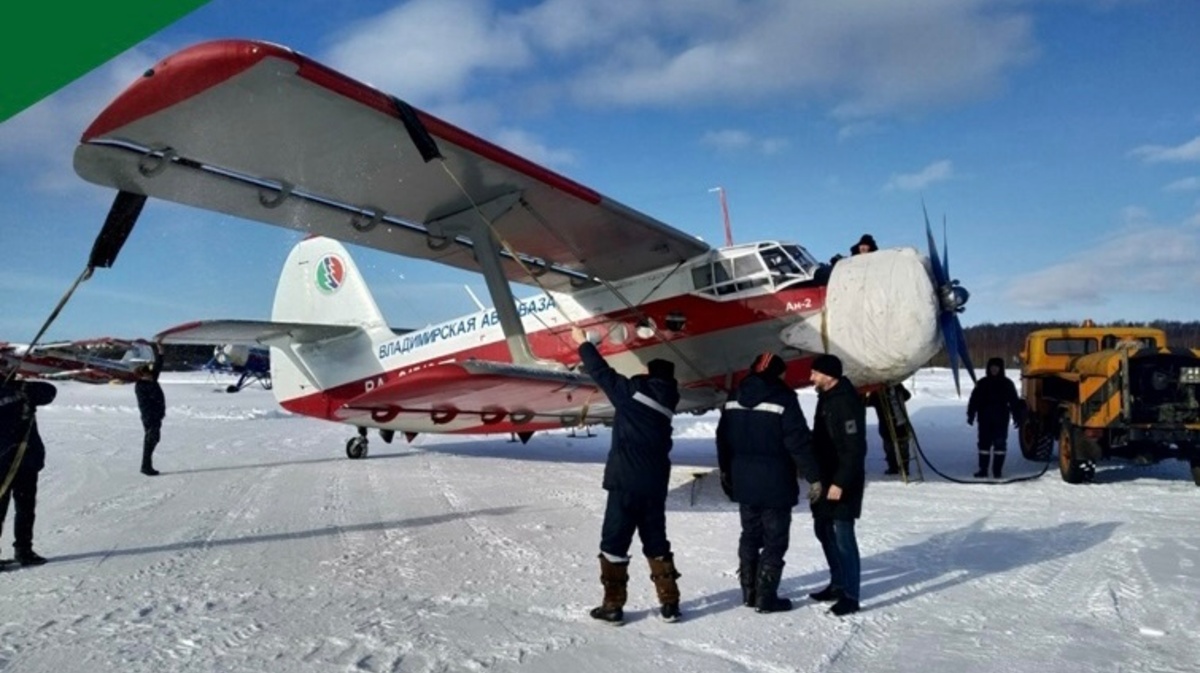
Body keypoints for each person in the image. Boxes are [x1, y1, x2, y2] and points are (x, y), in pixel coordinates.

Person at [572, 327, 682, 624]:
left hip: (625, 483)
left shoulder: (635, 394)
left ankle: (612, 606)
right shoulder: (668, 402)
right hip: (655, 484)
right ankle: (670, 604)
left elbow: (600, 372)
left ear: (651, 375)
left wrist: (585, 343)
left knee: (614, 543)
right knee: (656, 541)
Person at [716, 352, 820, 613]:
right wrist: (814, 477)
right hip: (776, 483)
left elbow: (722, 440)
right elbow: (797, 442)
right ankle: (766, 597)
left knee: (750, 535)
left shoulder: (733, 397)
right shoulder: (784, 398)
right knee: (775, 540)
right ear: (778, 373)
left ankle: (748, 593)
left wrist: (726, 473)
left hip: (744, 481)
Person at [807, 354, 866, 616]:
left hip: (843, 481)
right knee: (823, 529)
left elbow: (855, 448)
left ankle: (850, 595)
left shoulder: (845, 402)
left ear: (828, 376)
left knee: (843, 535)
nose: (811, 378)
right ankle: (837, 582)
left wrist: (841, 482)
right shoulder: (826, 398)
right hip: (826, 478)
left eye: (815, 373)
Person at [0, 369, 57, 569]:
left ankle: (24, 550)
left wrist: (18, 385)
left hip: (26, 460)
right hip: (3, 462)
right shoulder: (11, 395)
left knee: (25, 509)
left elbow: (49, 391)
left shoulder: (22, 391)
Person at [966, 357, 1023, 479]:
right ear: (988, 368)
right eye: (992, 367)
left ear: (1000, 368)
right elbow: (974, 400)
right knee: (983, 445)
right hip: (984, 419)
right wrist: (971, 414)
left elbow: (1014, 401)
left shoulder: (1007, 384)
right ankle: (983, 469)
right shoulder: (982, 383)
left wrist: (1017, 416)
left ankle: (997, 471)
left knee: (1000, 445)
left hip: (1001, 419)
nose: (994, 369)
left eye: (996, 367)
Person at [863, 384, 912, 475]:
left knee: (892, 446)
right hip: (897, 423)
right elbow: (907, 396)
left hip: (891, 424)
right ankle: (903, 468)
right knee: (899, 446)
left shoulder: (879, 392)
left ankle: (895, 468)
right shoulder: (896, 387)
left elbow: (866, 402)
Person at [134, 349, 166, 476]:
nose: (151, 375)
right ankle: (146, 466)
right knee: (150, 440)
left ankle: (146, 465)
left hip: (156, 416)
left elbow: (158, 365)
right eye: (148, 374)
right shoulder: (142, 385)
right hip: (149, 416)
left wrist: (160, 352)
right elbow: (152, 397)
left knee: (155, 439)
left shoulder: (151, 380)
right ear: (142, 375)